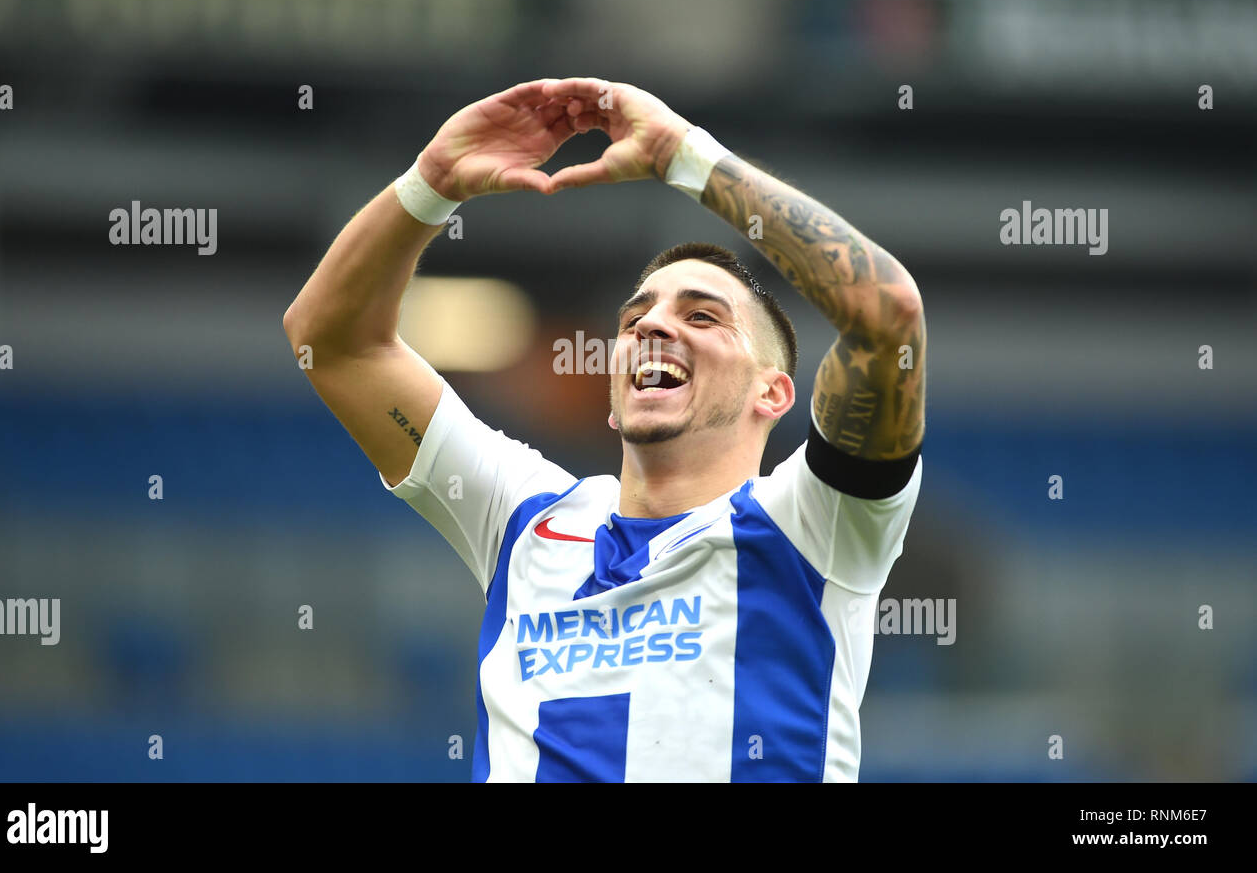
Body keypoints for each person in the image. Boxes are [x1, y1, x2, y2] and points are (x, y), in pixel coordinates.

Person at [282, 77, 927, 782]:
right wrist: (430, 184)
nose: (653, 324)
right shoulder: (525, 518)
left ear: (772, 393)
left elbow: (887, 315)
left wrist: (686, 156)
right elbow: (331, 341)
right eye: (635, 318)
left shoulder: (812, 526)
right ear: (615, 400)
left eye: (702, 316)